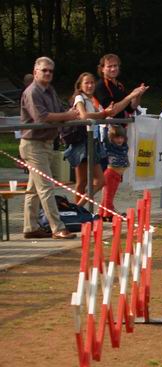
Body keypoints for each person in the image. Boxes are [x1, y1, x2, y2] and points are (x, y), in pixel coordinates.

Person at [19, 57, 78, 240]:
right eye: (44, 70)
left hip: (46, 143)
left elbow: (60, 110)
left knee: (34, 189)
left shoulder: (50, 90)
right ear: (35, 71)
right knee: (46, 187)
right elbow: (41, 117)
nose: (48, 73)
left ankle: (30, 227)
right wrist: (68, 115)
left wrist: (71, 113)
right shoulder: (32, 92)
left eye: (50, 71)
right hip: (33, 145)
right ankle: (57, 228)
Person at [63, 72, 113, 207]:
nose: (90, 85)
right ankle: (77, 209)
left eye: (92, 83)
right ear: (80, 85)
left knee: (97, 181)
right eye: (87, 83)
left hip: (93, 141)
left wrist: (106, 112)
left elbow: (103, 115)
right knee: (83, 181)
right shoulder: (79, 98)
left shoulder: (92, 100)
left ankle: (78, 207)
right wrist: (103, 113)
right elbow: (84, 116)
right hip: (82, 142)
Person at [93, 53, 148, 118]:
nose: (113, 69)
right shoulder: (100, 85)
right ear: (102, 69)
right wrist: (130, 96)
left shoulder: (119, 85)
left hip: (120, 123)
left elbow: (131, 108)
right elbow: (112, 111)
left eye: (115, 65)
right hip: (106, 123)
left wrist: (137, 95)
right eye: (109, 66)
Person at [100, 125, 128, 221]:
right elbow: (105, 140)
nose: (119, 140)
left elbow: (125, 134)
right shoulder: (111, 147)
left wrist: (126, 126)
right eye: (116, 138)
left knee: (108, 195)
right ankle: (109, 214)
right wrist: (105, 127)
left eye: (121, 138)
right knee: (108, 195)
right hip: (110, 174)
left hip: (117, 175)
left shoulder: (124, 146)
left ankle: (102, 213)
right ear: (112, 138)